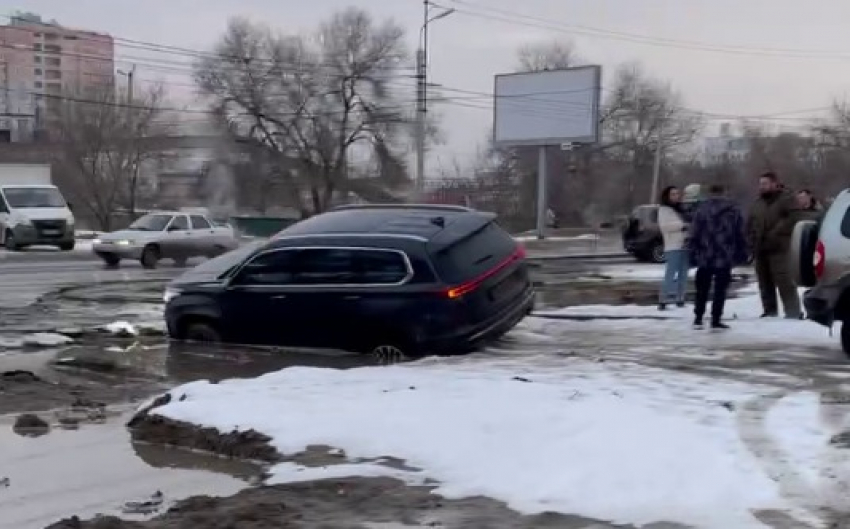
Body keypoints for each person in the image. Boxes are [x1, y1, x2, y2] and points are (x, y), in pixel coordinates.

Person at [687, 184, 749, 329]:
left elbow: (694, 233)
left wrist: (692, 252)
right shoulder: (733, 210)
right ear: (724, 192)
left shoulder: (701, 210)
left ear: (710, 193)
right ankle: (716, 319)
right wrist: (742, 252)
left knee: (702, 289)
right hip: (724, 255)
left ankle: (698, 317)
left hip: (705, 254)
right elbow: (740, 233)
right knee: (720, 290)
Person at [747, 172, 802, 319]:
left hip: (780, 247)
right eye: (760, 184)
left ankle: (793, 312)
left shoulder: (786, 199)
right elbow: (751, 222)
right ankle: (769, 310)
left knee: (784, 280)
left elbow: (794, 217)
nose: (762, 187)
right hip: (761, 247)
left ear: (774, 184)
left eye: (765, 184)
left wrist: (777, 231)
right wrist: (750, 239)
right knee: (764, 282)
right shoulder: (758, 203)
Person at [657, 186, 689, 310]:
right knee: (670, 273)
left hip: (685, 244)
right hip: (672, 245)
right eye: (673, 194)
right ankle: (663, 299)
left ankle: (680, 297)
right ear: (667, 196)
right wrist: (682, 226)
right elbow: (664, 227)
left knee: (683, 274)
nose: (676, 196)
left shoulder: (681, 209)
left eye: (677, 193)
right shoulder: (664, 210)